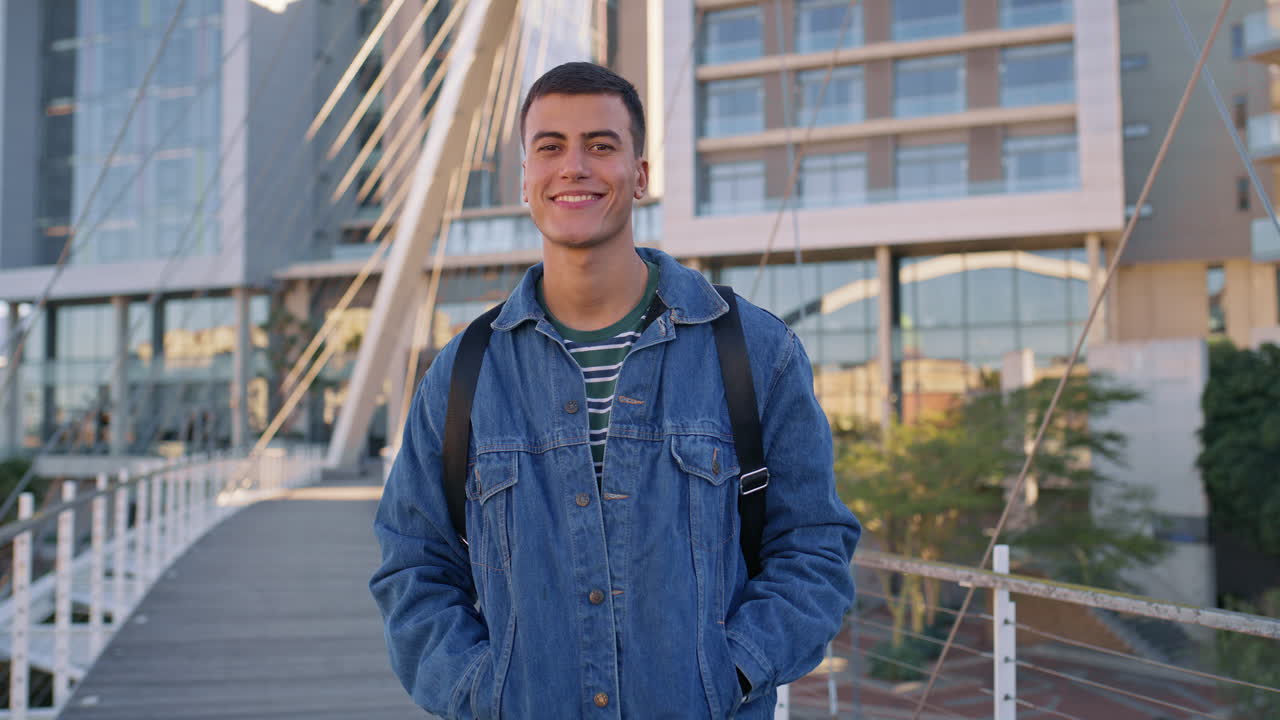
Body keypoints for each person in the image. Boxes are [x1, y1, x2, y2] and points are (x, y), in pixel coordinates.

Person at [371, 61, 860, 719]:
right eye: (550, 147)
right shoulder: (462, 374)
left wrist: (733, 672)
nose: (574, 166)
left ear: (641, 174)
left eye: (601, 145)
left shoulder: (755, 353)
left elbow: (814, 549)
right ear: (525, 180)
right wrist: (479, 692)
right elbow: (414, 568)